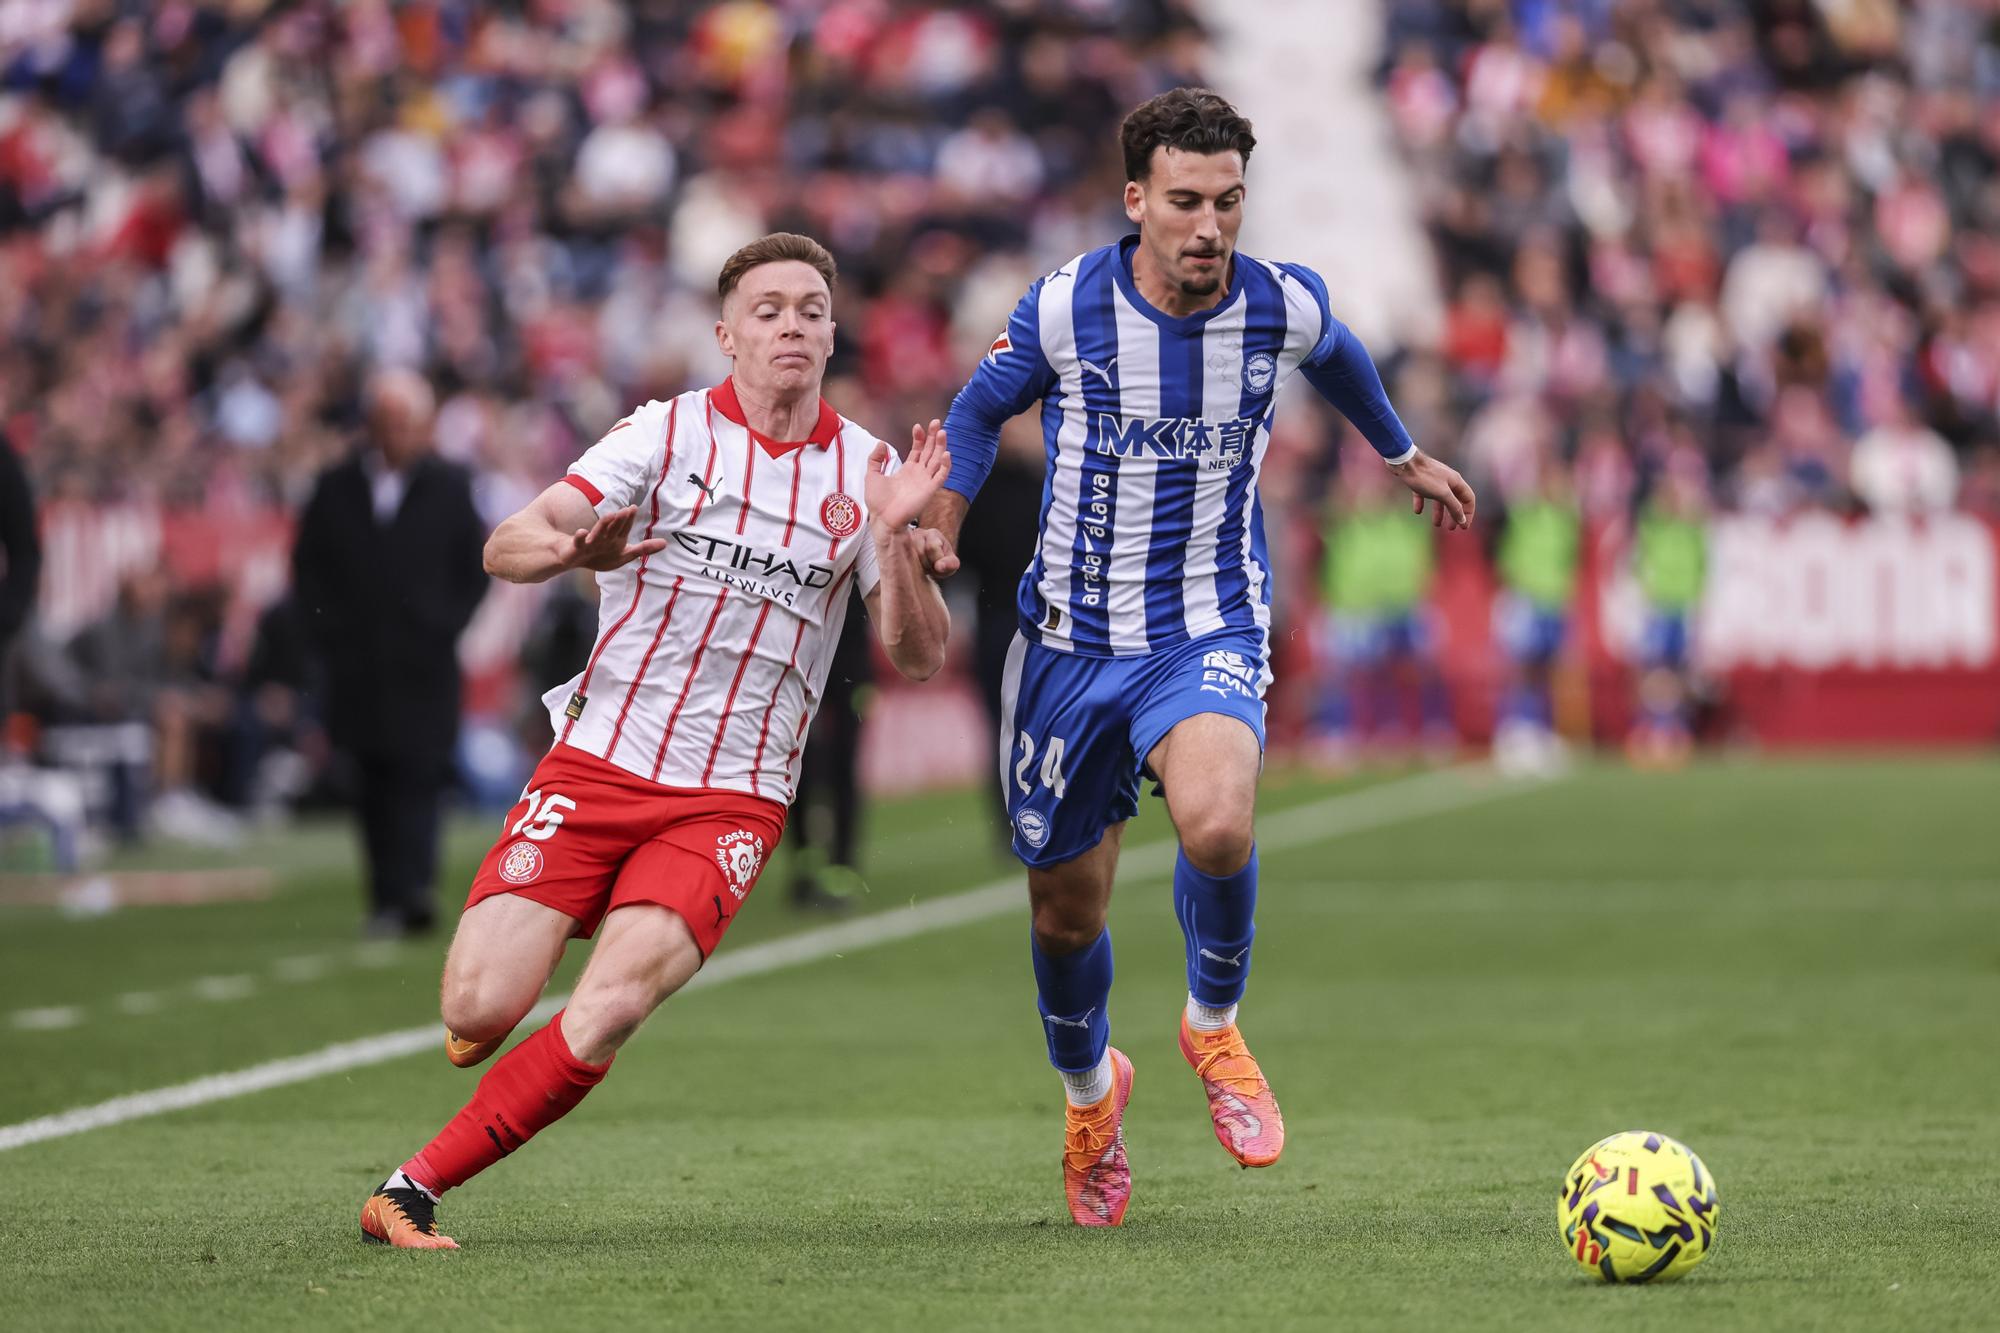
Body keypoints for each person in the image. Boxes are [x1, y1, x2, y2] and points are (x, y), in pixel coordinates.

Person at [920, 88, 1476, 1227]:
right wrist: (945, 517)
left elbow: (1342, 355)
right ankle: (1091, 1098)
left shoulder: (1277, 304)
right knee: (1065, 916)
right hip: (1070, 642)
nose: (1208, 225)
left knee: (1218, 823)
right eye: (1184, 201)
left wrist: (1400, 452)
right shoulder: (1066, 305)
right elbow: (975, 413)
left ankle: (1212, 1027)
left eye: (1227, 201)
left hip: (1204, 624)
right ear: (1136, 200)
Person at [358, 232, 952, 1249]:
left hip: (733, 797)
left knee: (612, 1005)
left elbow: (920, 654)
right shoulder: (662, 435)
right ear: (726, 335)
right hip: (599, 761)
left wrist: (895, 538)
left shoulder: (870, 472)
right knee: (479, 1006)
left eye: (811, 310)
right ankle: (546, 940)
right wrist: (569, 550)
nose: (792, 325)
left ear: (832, 334)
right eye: (767, 309)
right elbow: (506, 543)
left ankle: (409, 1189)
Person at [293, 369, 489, 936]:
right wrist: (330, 634)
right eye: (387, 423)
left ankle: (414, 890)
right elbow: (308, 567)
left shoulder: (449, 485)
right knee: (370, 780)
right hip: (359, 666)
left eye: (406, 424)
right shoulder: (336, 485)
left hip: (424, 664)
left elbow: (473, 566)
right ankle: (384, 894)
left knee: (420, 776)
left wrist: (442, 625)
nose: (396, 435)